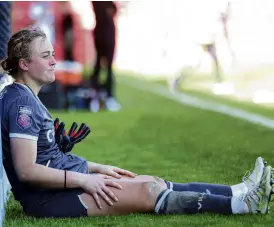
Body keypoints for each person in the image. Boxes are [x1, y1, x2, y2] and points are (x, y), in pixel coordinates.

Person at [0, 28, 273, 218]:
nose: (54, 60)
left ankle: (240, 191)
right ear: (24, 64)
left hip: (60, 187)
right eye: (45, 55)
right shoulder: (21, 103)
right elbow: (27, 171)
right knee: (148, 190)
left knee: (151, 180)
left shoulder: (25, 96)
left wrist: (96, 167)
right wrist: (86, 179)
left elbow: (49, 158)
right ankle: (244, 205)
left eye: (52, 53)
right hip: (48, 199)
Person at [89, 1, 121, 113]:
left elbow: (114, 10)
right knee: (100, 67)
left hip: (105, 34)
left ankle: (105, 96)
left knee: (106, 67)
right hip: (103, 34)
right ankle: (97, 96)